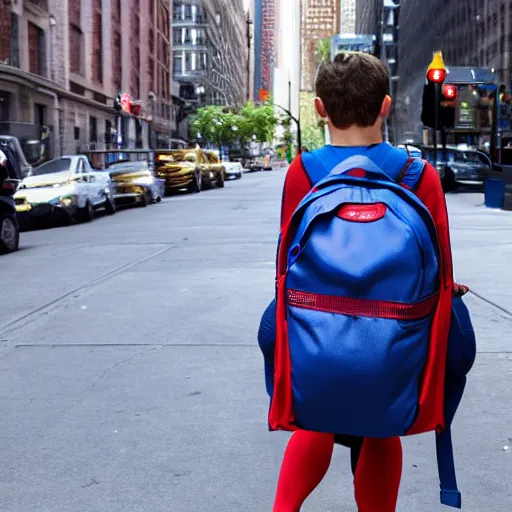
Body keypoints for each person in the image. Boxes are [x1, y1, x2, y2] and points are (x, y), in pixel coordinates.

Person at [258, 52, 456, 512]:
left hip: (316, 335)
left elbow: (286, 267)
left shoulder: (302, 172)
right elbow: (442, 272)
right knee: (380, 430)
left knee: (315, 420)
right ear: (386, 106)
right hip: (395, 337)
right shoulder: (416, 174)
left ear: (320, 109)